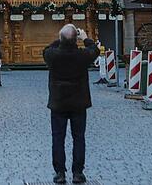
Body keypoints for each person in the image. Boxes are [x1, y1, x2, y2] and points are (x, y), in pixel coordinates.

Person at [43, 25, 99, 184]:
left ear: (60, 39)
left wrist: (61, 39)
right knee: (79, 138)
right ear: (76, 40)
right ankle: (78, 173)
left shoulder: (52, 55)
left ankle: (59, 173)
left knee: (58, 138)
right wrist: (85, 37)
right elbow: (95, 50)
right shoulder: (82, 56)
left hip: (58, 103)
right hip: (78, 103)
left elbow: (47, 48)